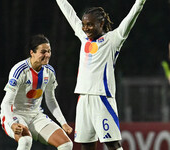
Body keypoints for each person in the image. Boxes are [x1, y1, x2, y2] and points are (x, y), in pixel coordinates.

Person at [55, 0, 146, 149]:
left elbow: (133, 15)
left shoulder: (113, 39)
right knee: (86, 145)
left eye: (90, 24)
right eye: (84, 24)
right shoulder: (84, 37)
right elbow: (69, 12)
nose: (85, 28)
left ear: (101, 23)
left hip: (102, 98)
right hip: (83, 98)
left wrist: (140, 2)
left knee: (112, 144)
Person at [0, 34, 73, 150]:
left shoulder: (49, 71)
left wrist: (63, 122)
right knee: (25, 141)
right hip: (15, 114)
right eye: (43, 52)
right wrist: (11, 123)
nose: (47, 55)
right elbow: (6, 103)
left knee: (66, 145)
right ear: (32, 52)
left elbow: (51, 99)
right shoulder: (19, 70)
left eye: (49, 51)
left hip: (36, 116)